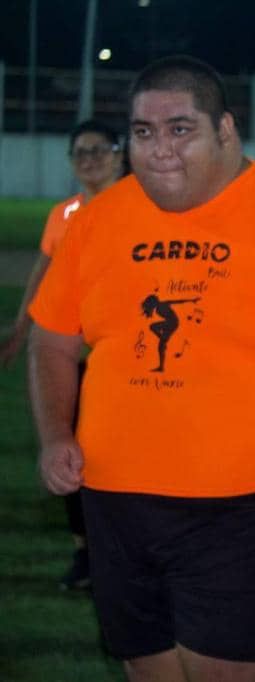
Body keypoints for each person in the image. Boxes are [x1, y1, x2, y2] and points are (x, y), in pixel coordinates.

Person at [27, 55, 255, 680]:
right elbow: (52, 341)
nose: (159, 150)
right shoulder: (98, 219)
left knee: (221, 672)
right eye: (144, 133)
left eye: (181, 128)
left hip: (242, 501)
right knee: (146, 668)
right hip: (115, 497)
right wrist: (55, 435)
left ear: (226, 130)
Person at [0, 119, 124, 591]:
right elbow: (44, 273)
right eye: (81, 152)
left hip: (118, 353)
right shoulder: (65, 213)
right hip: (68, 351)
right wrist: (21, 326)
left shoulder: (141, 205)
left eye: (100, 150)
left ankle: (122, 549)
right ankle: (85, 552)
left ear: (118, 153)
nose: (90, 159)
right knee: (72, 448)